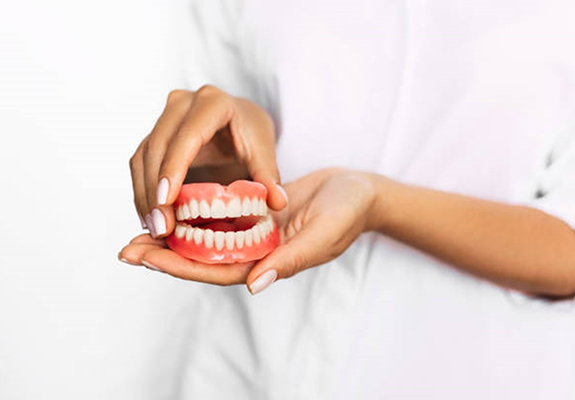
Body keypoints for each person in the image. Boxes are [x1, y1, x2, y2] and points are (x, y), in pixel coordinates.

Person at [119, 0, 575, 398]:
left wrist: (381, 203)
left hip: (459, 373)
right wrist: (221, 144)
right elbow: (228, 164)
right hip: (242, 370)